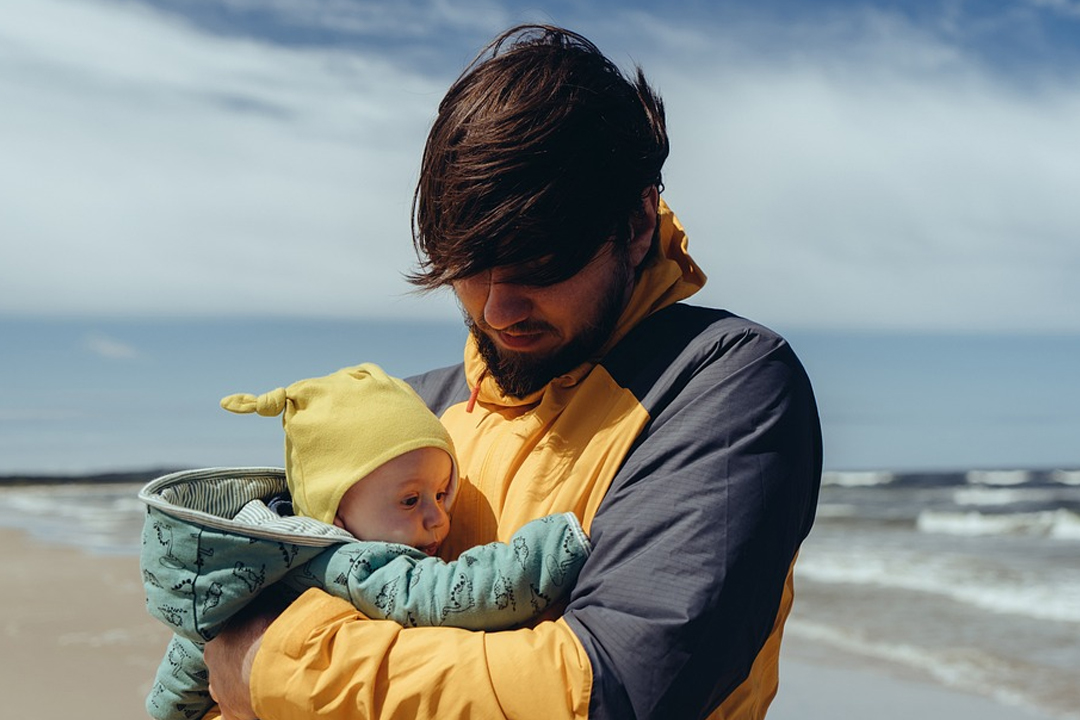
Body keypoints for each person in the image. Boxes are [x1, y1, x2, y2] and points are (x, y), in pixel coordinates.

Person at [204, 24, 822, 720]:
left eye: (539, 265)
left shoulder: (722, 384)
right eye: (468, 270)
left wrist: (273, 666)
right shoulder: (412, 414)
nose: (497, 310)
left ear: (639, 222)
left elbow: (612, 689)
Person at [140, 363, 589, 720]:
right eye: (411, 500)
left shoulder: (256, 557)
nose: (438, 519)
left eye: (441, 493)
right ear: (335, 510)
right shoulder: (354, 563)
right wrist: (554, 546)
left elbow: (188, 658)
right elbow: (453, 594)